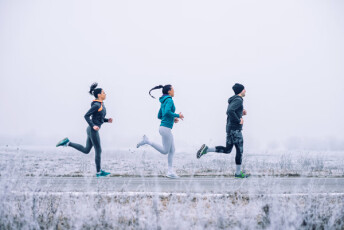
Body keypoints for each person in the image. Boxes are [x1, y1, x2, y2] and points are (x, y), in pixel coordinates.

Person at [56, 83, 113, 177]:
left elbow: (99, 118)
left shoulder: (101, 105)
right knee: (98, 150)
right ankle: (99, 172)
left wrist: (107, 120)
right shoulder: (96, 105)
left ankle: (67, 143)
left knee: (86, 150)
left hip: (91, 129)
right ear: (99, 95)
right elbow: (86, 116)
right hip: (92, 130)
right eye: (103, 92)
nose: (105, 94)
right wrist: (93, 126)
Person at [196, 83, 249, 178]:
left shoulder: (234, 99)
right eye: (244, 89)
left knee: (228, 149)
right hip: (235, 129)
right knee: (239, 150)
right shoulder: (238, 100)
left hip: (230, 128)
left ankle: (207, 149)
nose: (245, 91)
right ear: (241, 91)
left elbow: (230, 110)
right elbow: (230, 111)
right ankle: (238, 173)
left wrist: (241, 112)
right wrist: (238, 120)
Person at [137, 84, 184, 179]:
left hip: (164, 128)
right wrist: (177, 116)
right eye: (173, 90)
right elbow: (166, 112)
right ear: (169, 91)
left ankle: (170, 171)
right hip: (165, 129)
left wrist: (173, 118)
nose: (174, 91)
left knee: (172, 150)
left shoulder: (163, 101)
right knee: (165, 151)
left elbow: (160, 115)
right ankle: (147, 141)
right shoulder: (169, 100)